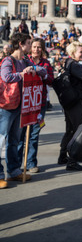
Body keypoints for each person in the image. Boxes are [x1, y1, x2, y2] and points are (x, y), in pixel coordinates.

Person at [0, 33, 47, 188]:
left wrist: (33, 69)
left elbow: (43, 72)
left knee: (14, 140)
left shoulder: (25, 60)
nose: (30, 46)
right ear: (21, 44)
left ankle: (13, 171)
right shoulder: (8, 60)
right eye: (28, 43)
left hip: (20, 105)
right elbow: (6, 77)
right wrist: (22, 74)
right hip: (6, 105)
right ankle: (0, 174)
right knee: (1, 141)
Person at [17, 38, 54, 173]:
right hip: (25, 103)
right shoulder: (25, 61)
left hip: (40, 103)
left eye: (39, 47)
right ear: (30, 48)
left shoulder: (46, 63)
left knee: (34, 134)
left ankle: (31, 163)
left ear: (42, 49)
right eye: (34, 47)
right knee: (21, 135)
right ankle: (17, 164)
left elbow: (51, 80)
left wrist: (42, 74)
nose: (36, 49)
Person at [57, 41, 82, 171]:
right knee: (78, 131)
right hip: (75, 102)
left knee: (70, 130)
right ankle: (72, 161)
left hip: (69, 102)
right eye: (81, 52)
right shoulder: (74, 65)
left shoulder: (69, 63)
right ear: (73, 52)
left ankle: (63, 155)